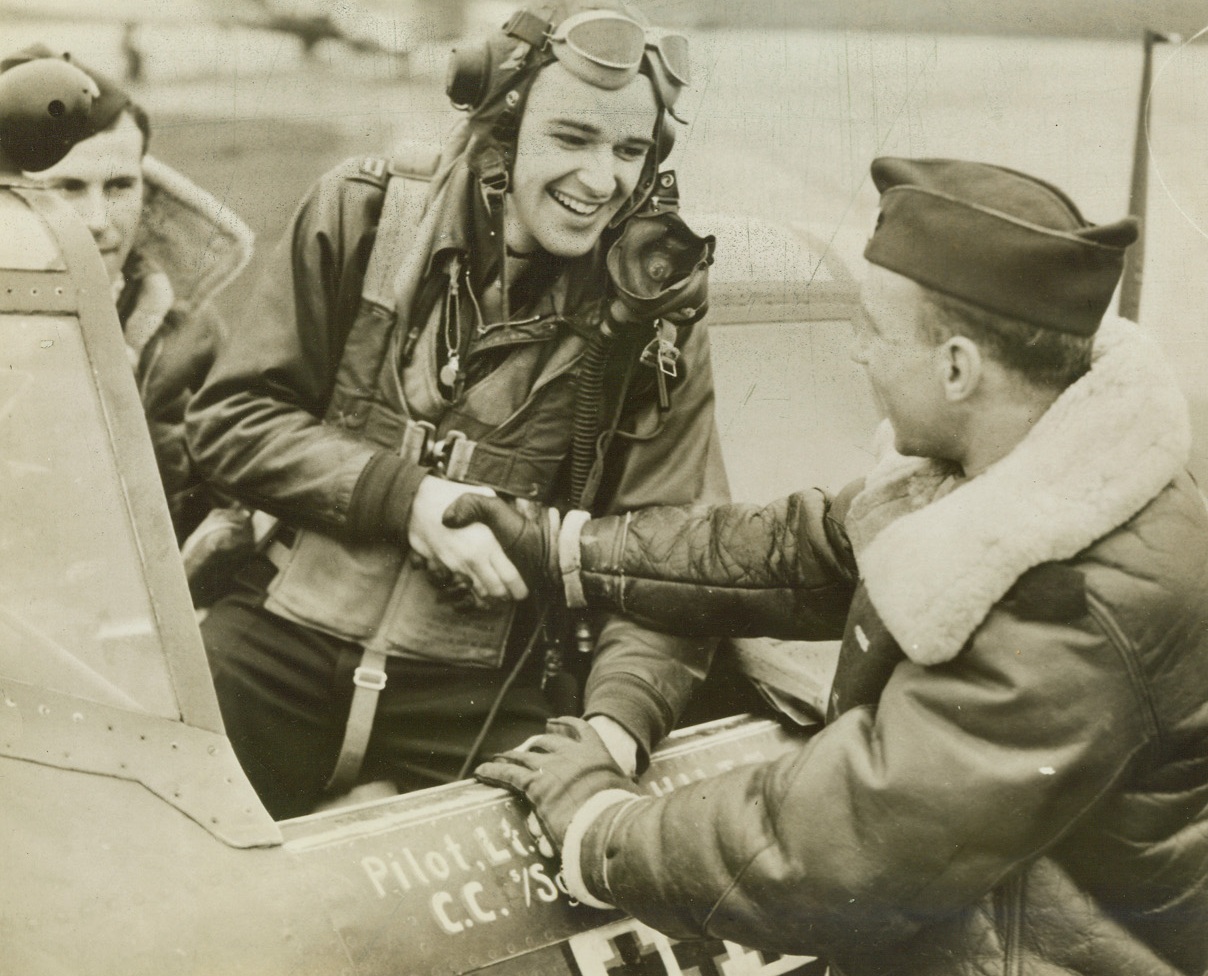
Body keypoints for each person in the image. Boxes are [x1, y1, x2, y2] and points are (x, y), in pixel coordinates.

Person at [455, 158, 1208, 974]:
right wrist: (566, 548)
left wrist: (598, 823)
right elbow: (800, 550)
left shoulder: (1083, 600)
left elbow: (846, 845)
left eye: (874, 333)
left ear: (958, 370)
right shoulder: (1028, 463)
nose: (857, 353)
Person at [185, 1, 728, 819]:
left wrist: (616, 725)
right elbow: (233, 419)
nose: (600, 181)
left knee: (557, 861)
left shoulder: (655, 313)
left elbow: (669, 553)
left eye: (629, 150)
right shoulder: (365, 212)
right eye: (572, 138)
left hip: (485, 684)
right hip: (279, 635)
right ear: (502, 130)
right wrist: (409, 499)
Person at [4, 45, 253, 545]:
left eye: (120, 186)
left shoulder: (189, 333)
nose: (97, 220)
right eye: (67, 187)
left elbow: (230, 508)